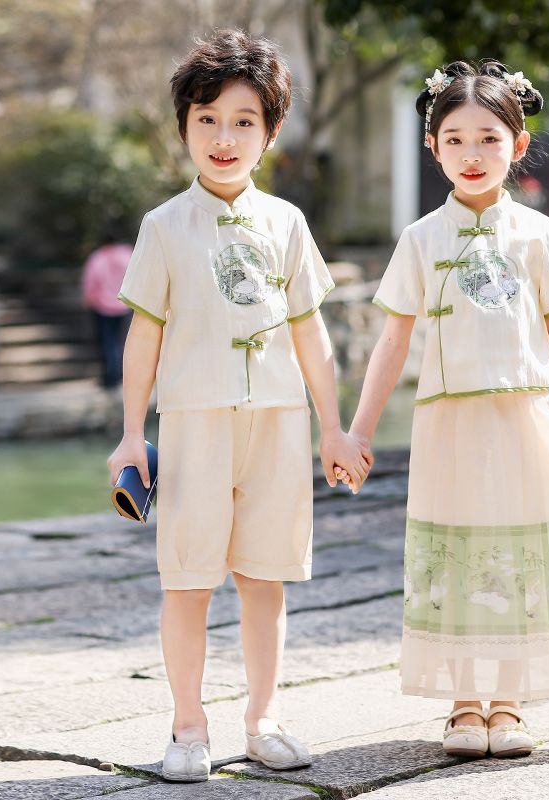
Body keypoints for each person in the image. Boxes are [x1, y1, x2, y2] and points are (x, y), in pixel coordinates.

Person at [344, 60, 549, 759]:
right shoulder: (420, 239)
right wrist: (357, 429)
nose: (472, 155)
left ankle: (506, 702)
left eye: (488, 138)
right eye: (455, 140)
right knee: (459, 550)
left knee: (518, 553)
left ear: (517, 141)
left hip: (530, 417)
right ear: (433, 146)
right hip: (449, 422)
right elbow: (393, 339)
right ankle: (460, 703)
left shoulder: (538, 234)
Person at [107, 29, 371, 782]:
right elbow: (143, 337)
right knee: (187, 579)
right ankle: (188, 726)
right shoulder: (163, 227)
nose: (225, 137)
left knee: (266, 578)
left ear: (271, 132)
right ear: (185, 127)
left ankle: (263, 718)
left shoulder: (287, 223)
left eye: (244, 120)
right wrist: (132, 435)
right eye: (208, 119)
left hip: (280, 423)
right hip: (193, 424)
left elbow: (311, 332)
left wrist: (334, 428)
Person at [81, 223, 133, 388]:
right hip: (125, 305)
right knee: (124, 342)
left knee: (108, 342)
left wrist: (88, 300)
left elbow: (90, 283)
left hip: (102, 307)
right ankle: (122, 375)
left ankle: (111, 377)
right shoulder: (127, 254)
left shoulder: (97, 258)